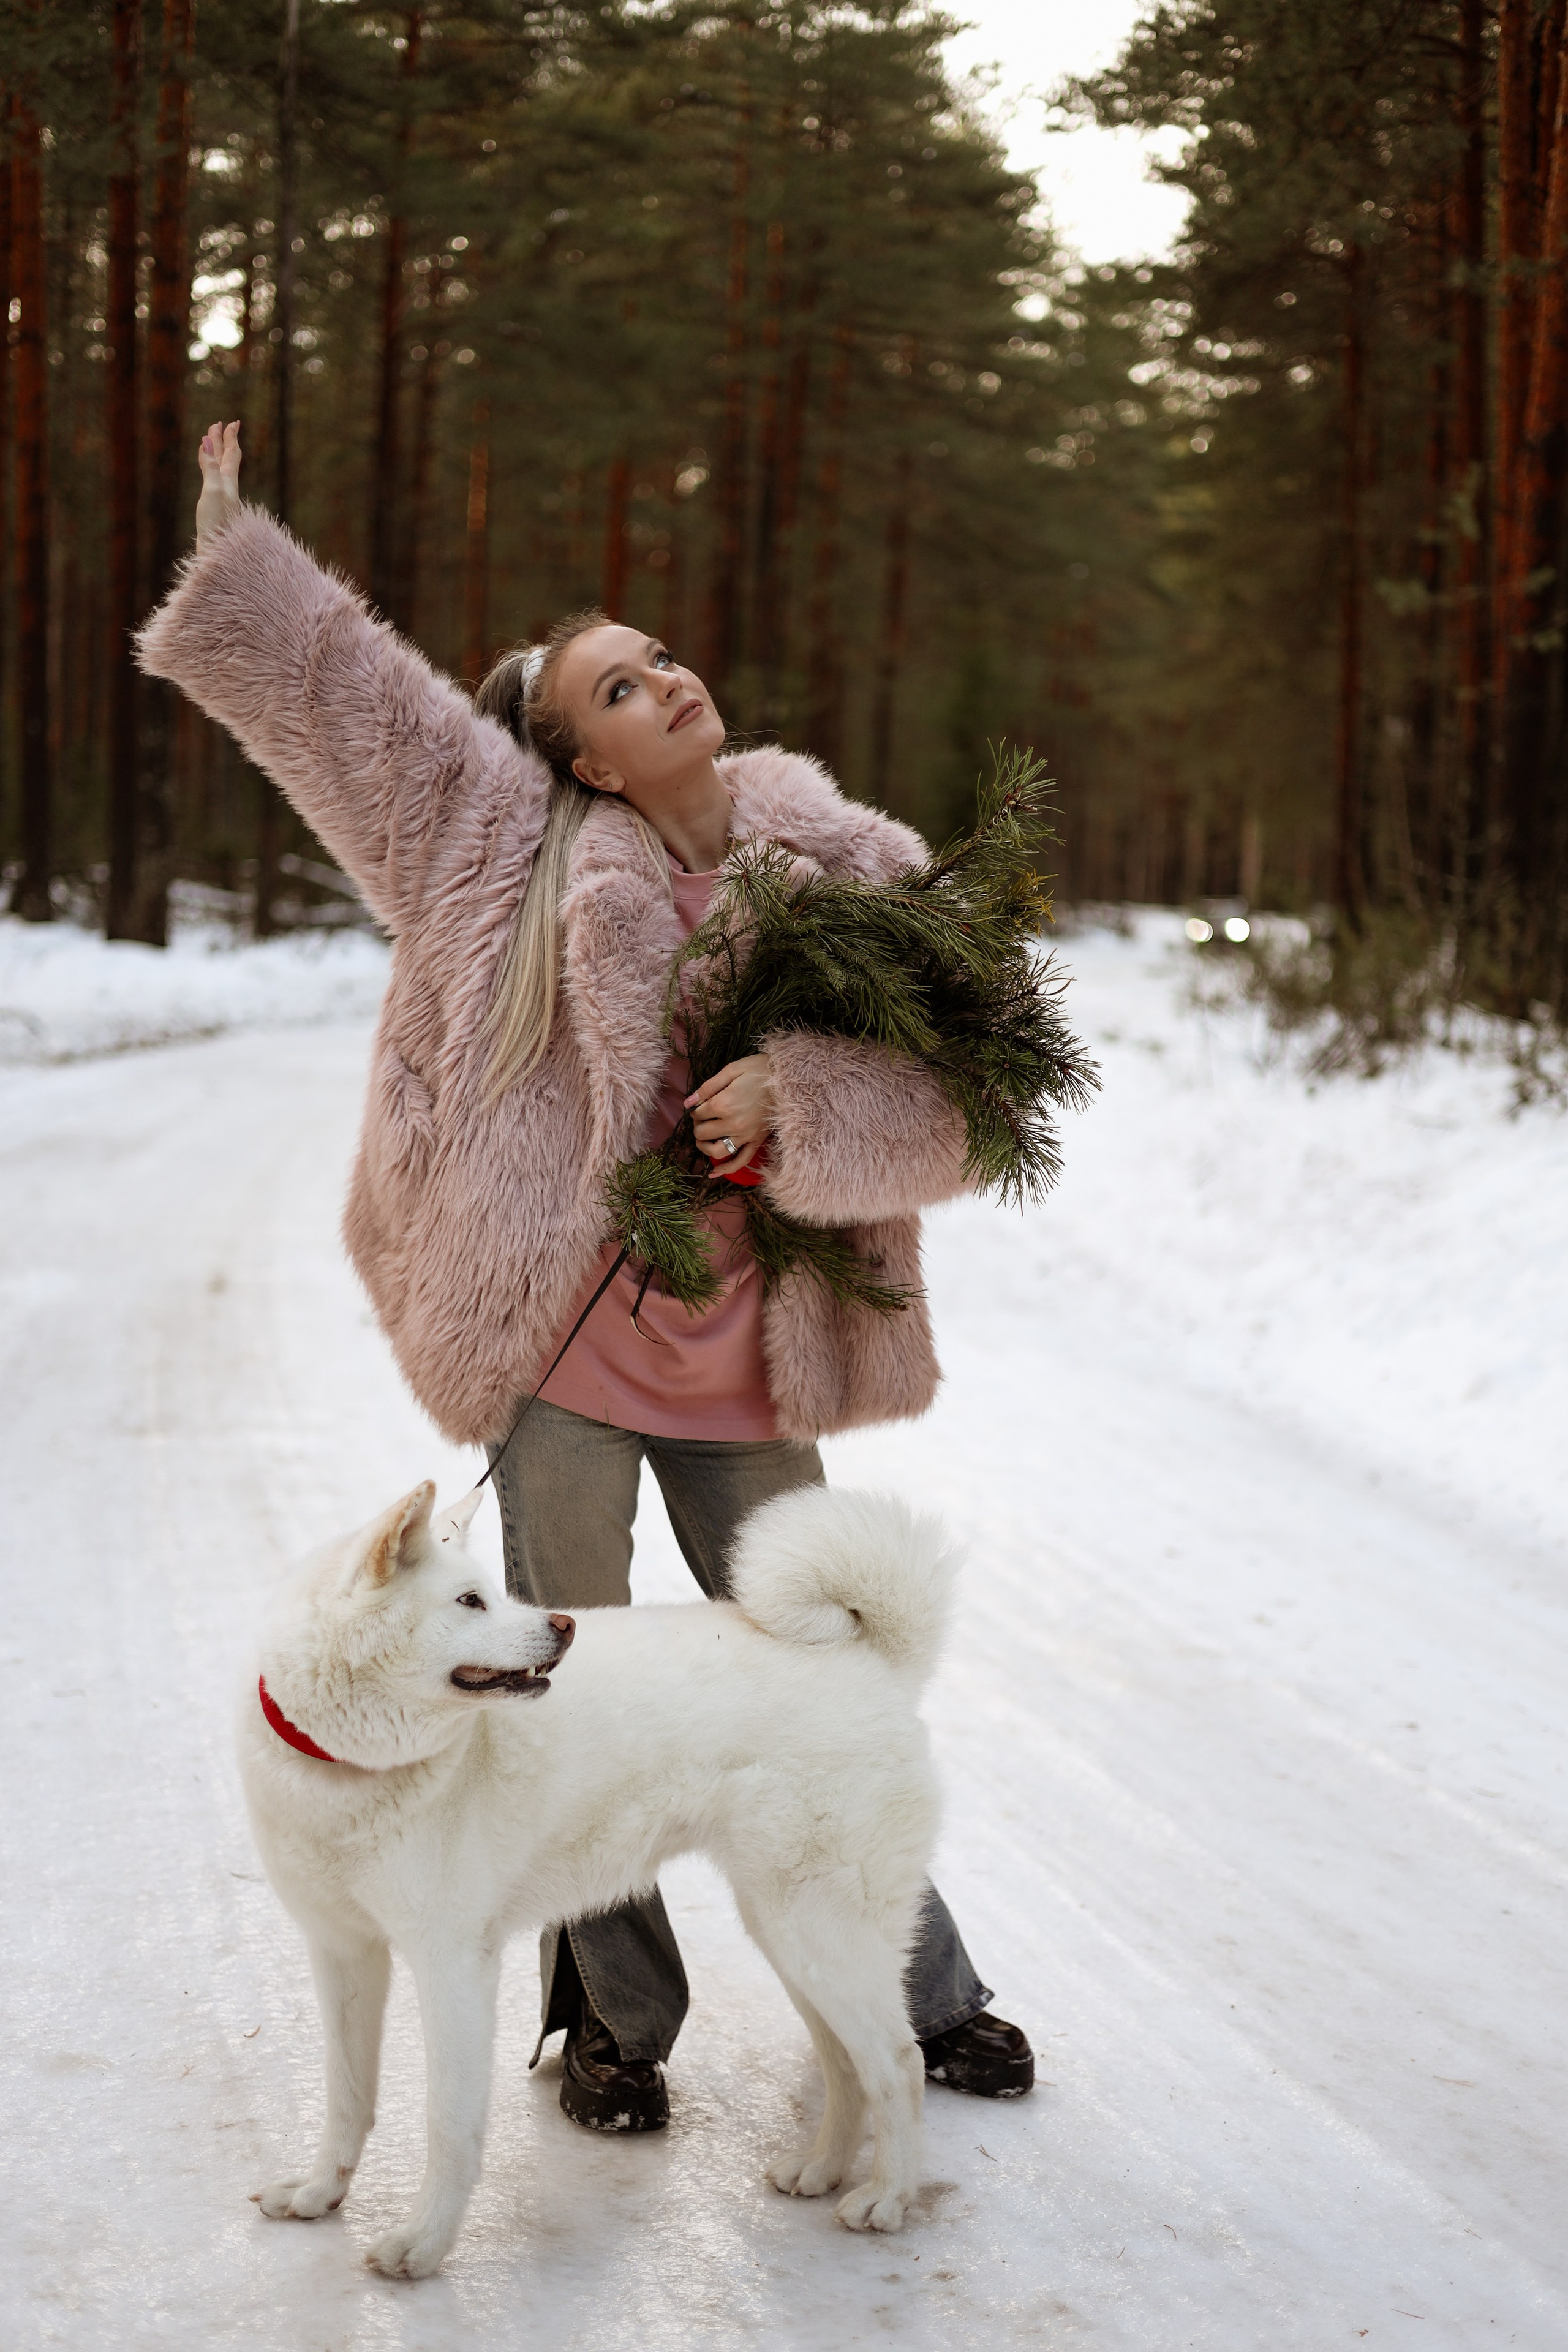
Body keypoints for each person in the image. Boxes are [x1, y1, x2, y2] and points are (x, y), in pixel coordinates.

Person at [138, 418, 1035, 2133]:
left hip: (754, 1364)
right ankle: (615, 2022)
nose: (668, 684)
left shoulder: (849, 864)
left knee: (822, 1683)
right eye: (619, 690)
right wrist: (240, 552)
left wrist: (808, 1104)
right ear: (581, 764)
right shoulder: (503, 862)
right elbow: (362, 715)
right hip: (568, 1363)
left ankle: (929, 1997)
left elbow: (975, 1096)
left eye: (664, 658)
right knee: (560, 1693)